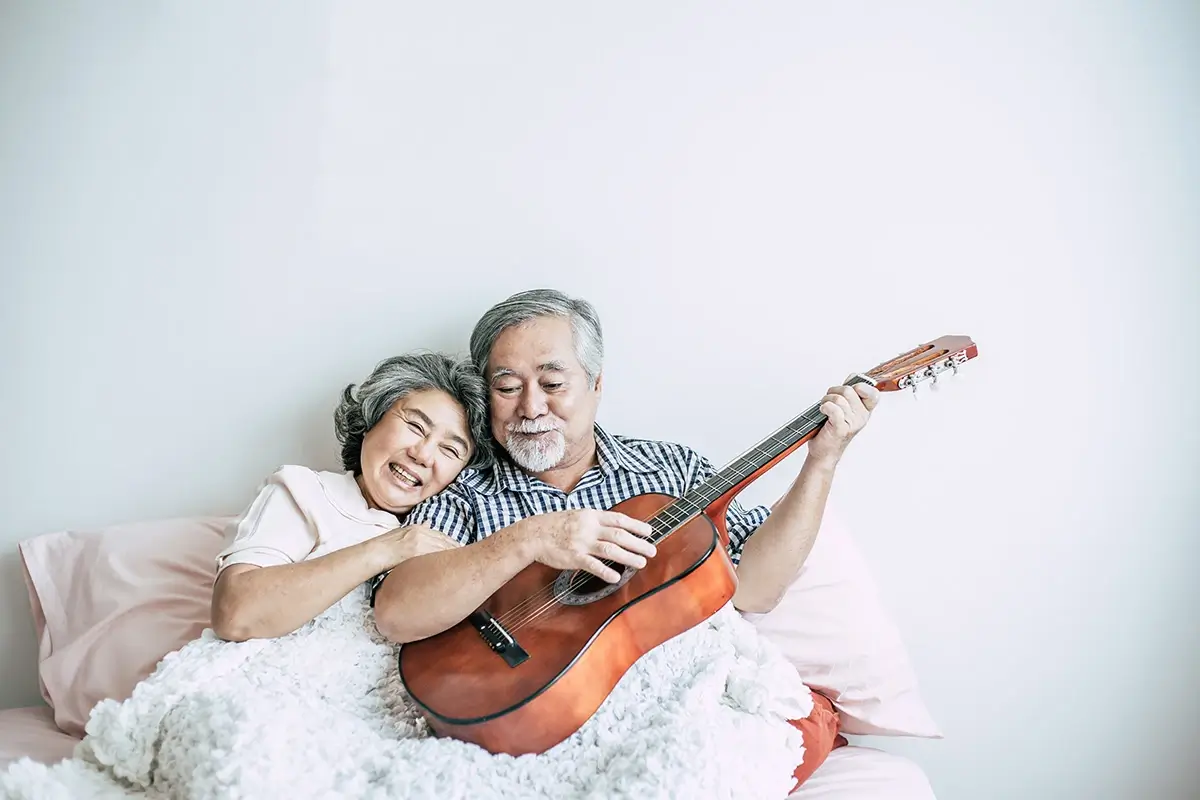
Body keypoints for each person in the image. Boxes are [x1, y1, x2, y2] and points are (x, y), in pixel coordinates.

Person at [370, 289, 879, 640]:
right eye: (506, 387)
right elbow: (394, 614)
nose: (530, 408)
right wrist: (529, 538)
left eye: (552, 384)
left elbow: (756, 591)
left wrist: (822, 460)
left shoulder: (671, 470)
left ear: (595, 384)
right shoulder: (460, 489)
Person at [210, 352, 490, 642]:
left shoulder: (451, 540)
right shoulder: (305, 490)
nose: (422, 454)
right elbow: (235, 613)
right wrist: (386, 549)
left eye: (450, 450)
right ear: (372, 419)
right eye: (416, 427)